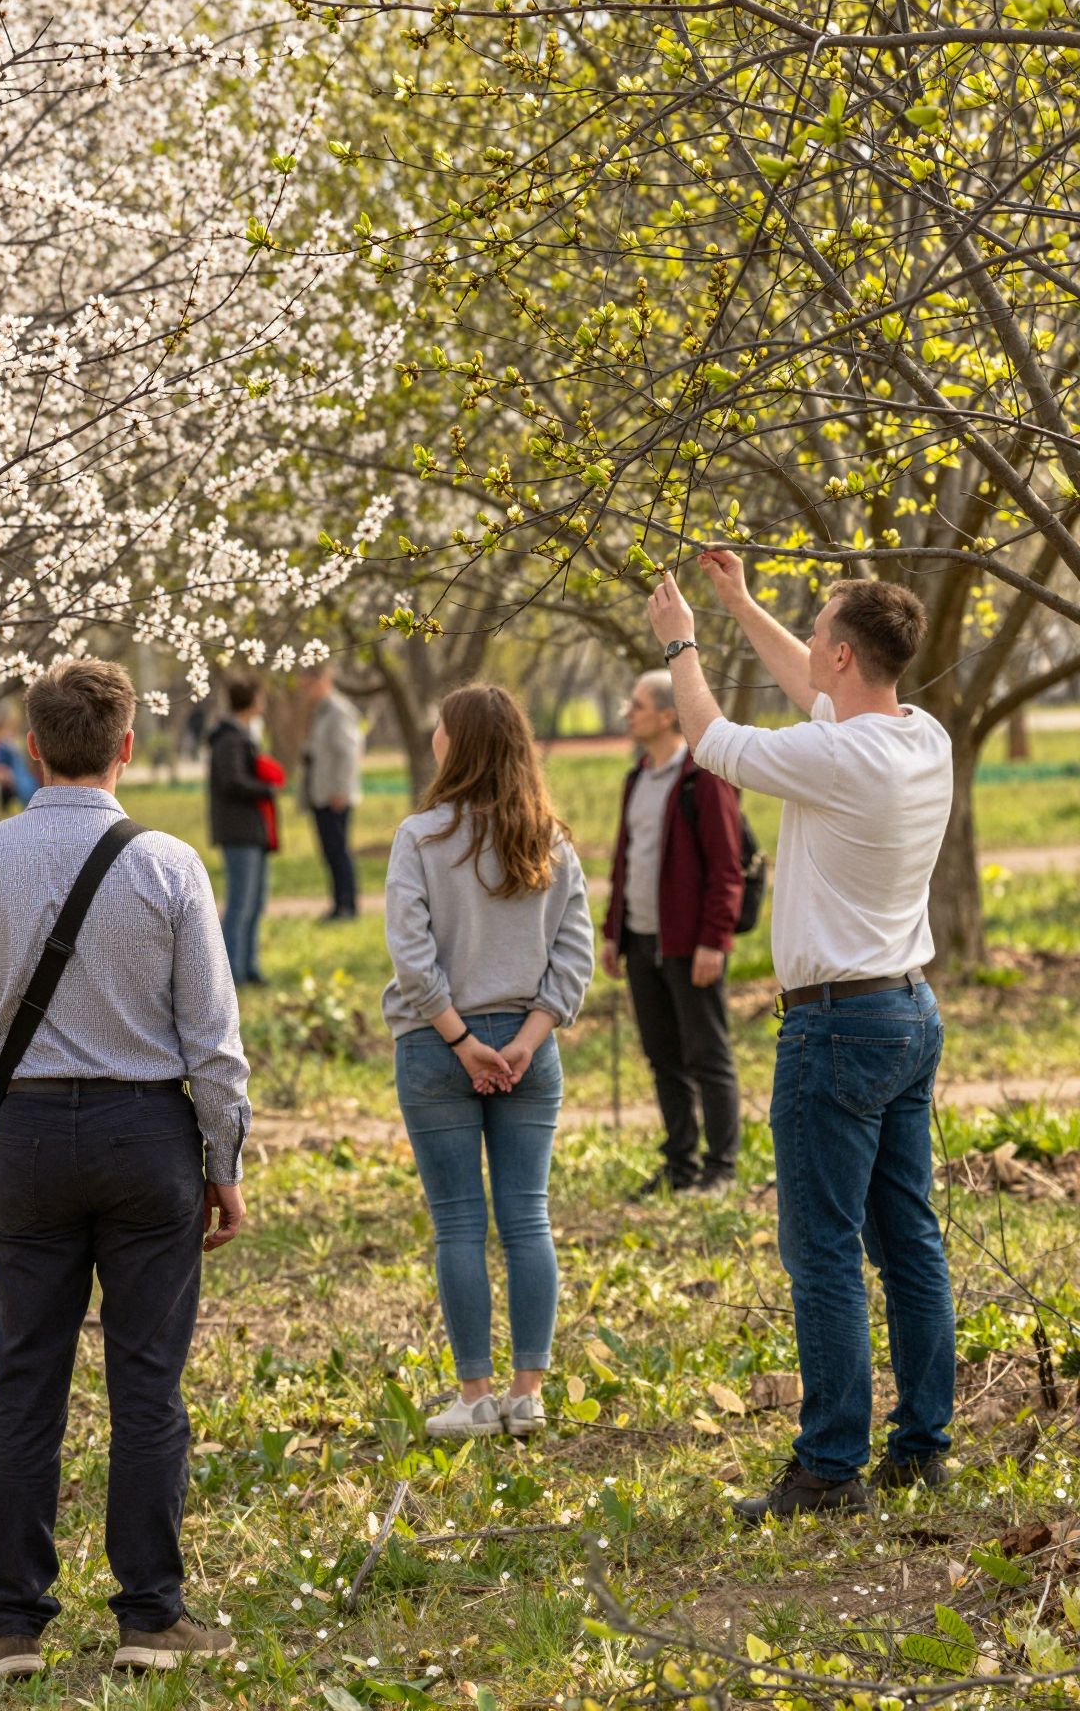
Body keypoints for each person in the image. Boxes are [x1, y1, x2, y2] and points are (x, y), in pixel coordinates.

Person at [0, 658, 251, 1685]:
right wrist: (225, 1158)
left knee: (26, 1381)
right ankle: (150, 1612)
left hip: (26, 1138)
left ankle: (13, 1622)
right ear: (127, 747)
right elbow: (213, 1043)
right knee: (147, 1382)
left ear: (30, 745)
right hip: (148, 1137)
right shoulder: (170, 865)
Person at [648, 553, 954, 1524]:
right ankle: (922, 1448)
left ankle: (828, 1468)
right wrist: (740, 604)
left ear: (846, 655)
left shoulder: (834, 757)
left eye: (818, 632)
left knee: (822, 1249)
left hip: (836, 1027)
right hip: (908, 1011)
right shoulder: (921, 736)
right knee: (908, 1239)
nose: (809, 644)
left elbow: (709, 737)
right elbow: (810, 689)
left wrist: (682, 643)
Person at [384, 683, 595, 1441]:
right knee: (527, 1216)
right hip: (527, 1052)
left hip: (436, 1047)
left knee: (459, 1224)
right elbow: (574, 956)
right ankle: (527, 1394)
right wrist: (527, 1040)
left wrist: (460, 1040)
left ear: (459, 743)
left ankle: (475, 1397)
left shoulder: (420, 838)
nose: (434, 736)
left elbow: (411, 957)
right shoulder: (551, 843)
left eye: (441, 727)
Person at [601, 670, 745, 1199]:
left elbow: (727, 869)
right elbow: (624, 860)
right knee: (663, 1058)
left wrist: (714, 940)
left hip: (691, 945)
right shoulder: (636, 778)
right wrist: (613, 932)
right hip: (642, 943)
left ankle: (721, 1168)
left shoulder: (702, 778)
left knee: (708, 1057)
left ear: (667, 715)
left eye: (637, 705)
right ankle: (680, 1164)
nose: (628, 714)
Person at [206, 677, 281, 987]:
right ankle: (230, 973)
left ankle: (249, 966)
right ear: (251, 701)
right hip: (239, 831)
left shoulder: (243, 736)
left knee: (256, 902)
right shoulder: (229, 740)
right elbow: (232, 782)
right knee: (241, 903)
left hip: (253, 831)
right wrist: (266, 788)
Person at [300, 663, 364, 921]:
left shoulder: (338, 711)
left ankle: (347, 906)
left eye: (309, 685)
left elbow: (349, 754)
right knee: (330, 852)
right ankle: (338, 903)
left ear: (323, 680)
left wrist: (341, 791)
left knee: (339, 852)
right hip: (321, 793)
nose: (307, 692)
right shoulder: (321, 711)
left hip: (334, 796)